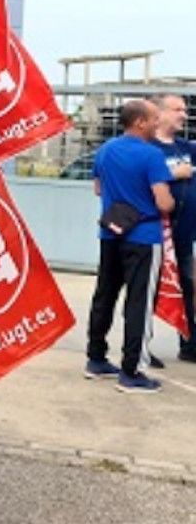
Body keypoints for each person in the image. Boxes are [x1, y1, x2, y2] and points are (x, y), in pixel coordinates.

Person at [86, 98, 174, 393]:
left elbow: (98, 188)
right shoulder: (152, 156)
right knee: (140, 302)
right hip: (144, 238)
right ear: (139, 121)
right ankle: (132, 371)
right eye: (153, 118)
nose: (157, 122)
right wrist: (171, 201)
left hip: (112, 234)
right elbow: (163, 200)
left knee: (105, 295)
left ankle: (96, 358)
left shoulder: (106, 149)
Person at [151, 94, 196, 363]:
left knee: (187, 287)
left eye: (185, 109)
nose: (184, 114)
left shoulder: (186, 148)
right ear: (160, 113)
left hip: (184, 235)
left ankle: (190, 344)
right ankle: (140, 346)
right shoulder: (149, 148)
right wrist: (172, 175)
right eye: (177, 109)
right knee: (149, 289)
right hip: (155, 235)